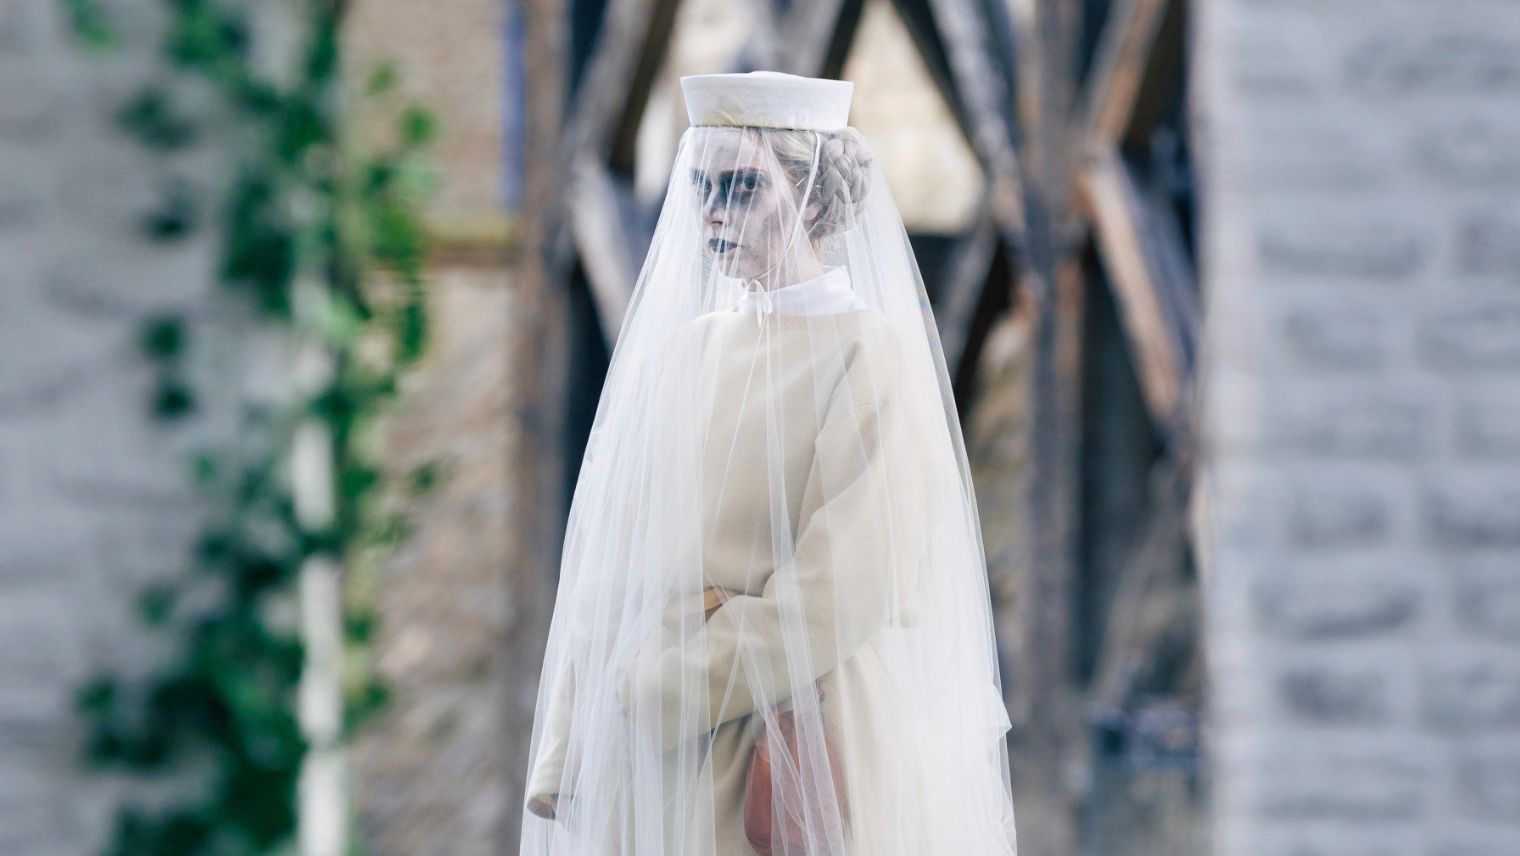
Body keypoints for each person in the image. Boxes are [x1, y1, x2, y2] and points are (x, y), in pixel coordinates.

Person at [519, 70, 1017, 856]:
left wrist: (675, 688)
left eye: (744, 187)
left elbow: (846, 581)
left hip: (796, 730)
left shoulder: (870, 355)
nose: (715, 213)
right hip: (656, 738)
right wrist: (572, 747)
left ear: (813, 198)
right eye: (704, 188)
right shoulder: (686, 352)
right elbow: (612, 568)